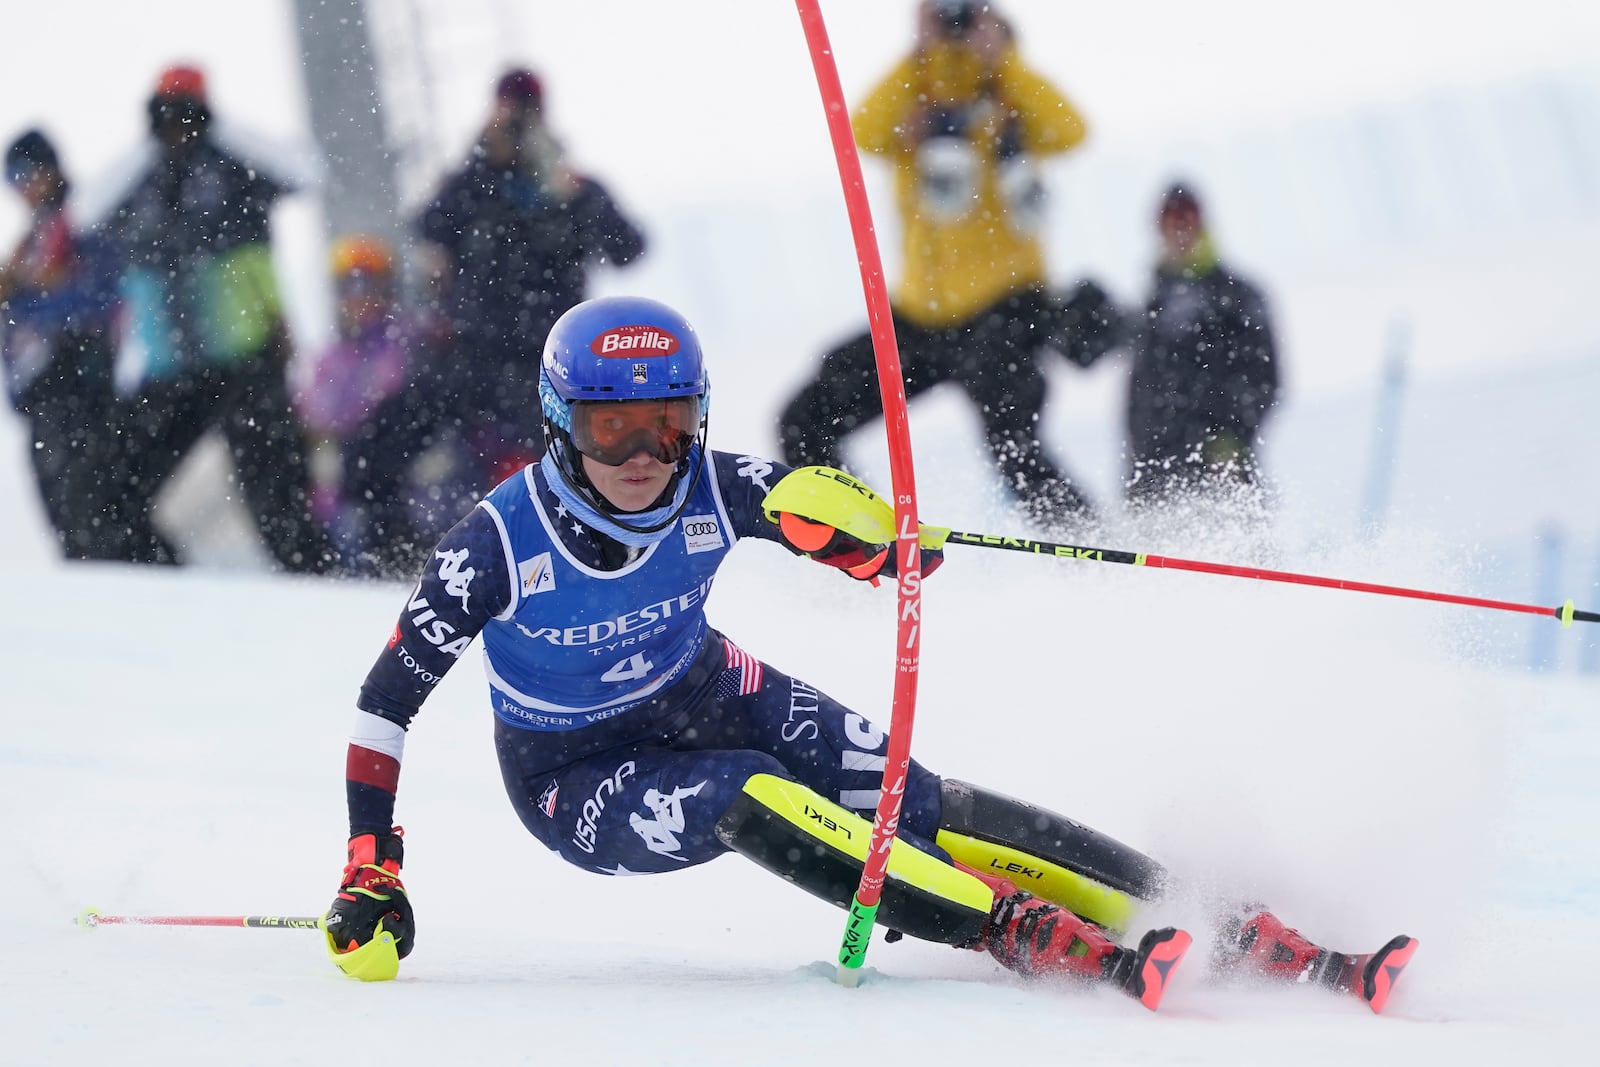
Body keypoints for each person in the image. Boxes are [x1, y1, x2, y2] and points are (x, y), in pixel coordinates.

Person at [322, 295, 1416, 1012]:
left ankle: (1231, 921)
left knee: (919, 796)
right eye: (615, 430)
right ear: (563, 424)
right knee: (741, 790)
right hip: (574, 771)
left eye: (669, 424)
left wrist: (877, 545)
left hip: (704, 686)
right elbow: (383, 703)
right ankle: (1010, 928)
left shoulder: (707, 482)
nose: (646, 456)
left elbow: (811, 507)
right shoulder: (495, 544)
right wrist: (372, 859)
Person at [778, 0, 1120, 528]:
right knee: (804, 420)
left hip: (1004, 312)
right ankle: (859, 543)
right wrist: (917, 59)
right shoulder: (914, 109)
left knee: (1013, 442)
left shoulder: (1014, 104)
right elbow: (861, 132)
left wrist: (1000, 63)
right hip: (921, 318)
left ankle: (1089, 546)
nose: (956, 33)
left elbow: (1072, 130)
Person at [104, 64, 335, 573]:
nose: (177, 125)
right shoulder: (141, 182)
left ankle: (319, 586)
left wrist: (219, 129)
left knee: (280, 501)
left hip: (249, 361)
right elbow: (86, 214)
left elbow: (305, 172)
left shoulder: (236, 164)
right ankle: (166, 587)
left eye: (187, 112)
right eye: (165, 113)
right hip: (172, 372)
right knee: (114, 488)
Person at [414, 67, 646, 503]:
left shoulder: (570, 189)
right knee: (468, 459)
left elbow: (629, 248)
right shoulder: (475, 184)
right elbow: (428, 226)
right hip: (478, 356)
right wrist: (481, 159)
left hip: (552, 355)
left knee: (554, 461)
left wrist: (578, 198)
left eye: (528, 114)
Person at [1, 129, 168, 563]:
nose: (25, 186)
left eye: (31, 172)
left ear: (53, 168)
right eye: (15, 178)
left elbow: (100, 296)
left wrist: (24, 294)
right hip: (45, 396)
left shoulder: (83, 217)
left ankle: (159, 593)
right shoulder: (34, 239)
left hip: (81, 387)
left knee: (93, 510)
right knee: (69, 513)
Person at [1124, 181, 1280, 504]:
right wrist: (1137, 467)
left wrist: (1231, 439)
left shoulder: (1237, 294)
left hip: (1221, 472)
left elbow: (1264, 376)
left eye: (1187, 222)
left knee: (1230, 550)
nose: (1179, 234)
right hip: (1155, 478)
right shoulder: (1154, 299)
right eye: (1170, 224)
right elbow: (1140, 390)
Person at [293, 234, 428, 576]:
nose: (359, 297)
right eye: (349, 287)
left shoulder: (405, 338)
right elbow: (316, 412)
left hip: (398, 471)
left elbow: (385, 392)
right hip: (346, 482)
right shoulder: (334, 353)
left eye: (368, 285)